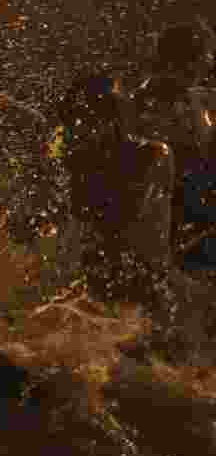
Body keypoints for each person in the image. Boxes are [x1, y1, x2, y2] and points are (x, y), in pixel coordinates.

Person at [59, 72, 177, 316]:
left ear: (111, 119)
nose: (78, 132)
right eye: (74, 123)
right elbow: (78, 235)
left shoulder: (152, 155)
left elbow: (123, 221)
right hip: (101, 281)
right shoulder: (83, 162)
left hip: (143, 285)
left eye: (89, 121)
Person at [130, 22, 216, 257]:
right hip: (178, 215)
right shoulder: (148, 104)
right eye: (207, 55)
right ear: (187, 61)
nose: (210, 63)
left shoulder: (192, 96)